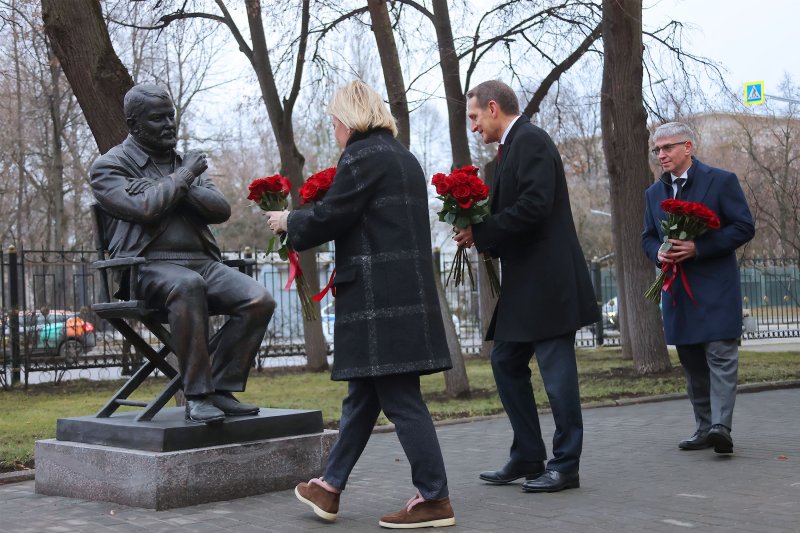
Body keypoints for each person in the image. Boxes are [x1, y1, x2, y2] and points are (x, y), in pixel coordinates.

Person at [266, 80, 455, 529]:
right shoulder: (403, 157)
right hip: (399, 295)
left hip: (378, 300)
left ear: (348, 120)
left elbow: (335, 215)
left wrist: (289, 220)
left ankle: (435, 497)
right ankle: (329, 488)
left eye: (334, 122)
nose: (333, 131)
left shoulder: (362, 155)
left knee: (401, 398)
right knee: (363, 397)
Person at [90, 83, 275, 424]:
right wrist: (186, 177)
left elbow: (220, 209)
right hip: (144, 269)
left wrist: (175, 184)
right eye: (158, 118)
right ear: (133, 124)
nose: (169, 124)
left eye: (171, 116)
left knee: (259, 299)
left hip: (202, 264)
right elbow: (145, 208)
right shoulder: (109, 166)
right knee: (188, 285)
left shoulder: (182, 162)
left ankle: (220, 386)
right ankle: (198, 395)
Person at [454, 80, 599, 493]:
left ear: (494, 108)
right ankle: (528, 454)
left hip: (548, 284)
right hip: (526, 286)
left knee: (557, 378)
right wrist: (479, 228)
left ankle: (566, 465)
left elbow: (535, 207)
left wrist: (482, 230)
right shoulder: (511, 149)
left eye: (475, 117)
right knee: (504, 362)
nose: (473, 127)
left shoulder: (531, 140)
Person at [642, 122, 754, 454]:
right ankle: (704, 427)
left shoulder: (721, 181)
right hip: (677, 290)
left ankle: (722, 426)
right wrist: (659, 254)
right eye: (657, 150)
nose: (661, 155)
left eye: (667, 148)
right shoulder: (654, 193)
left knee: (721, 355)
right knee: (692, 361)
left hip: (716, 287)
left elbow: (744, 226)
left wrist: (698, 249)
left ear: (688, 147)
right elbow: (647, 237)